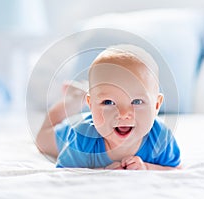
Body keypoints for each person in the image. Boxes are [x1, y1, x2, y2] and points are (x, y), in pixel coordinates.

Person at [36, 44, 181, 170]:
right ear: (91, 105)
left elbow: (174, 169)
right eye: (108, 102)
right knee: (41, 140)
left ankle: (89, 93)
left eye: (137, 102)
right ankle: (72, 100)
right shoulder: (82, 137)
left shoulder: (161, 138)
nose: (123, 114)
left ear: (156, 105)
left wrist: (147, 167)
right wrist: (103, 170)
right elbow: (64, 172)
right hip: (68, 133)